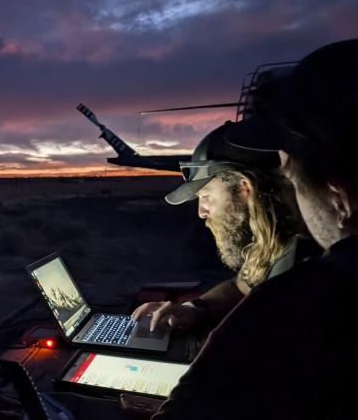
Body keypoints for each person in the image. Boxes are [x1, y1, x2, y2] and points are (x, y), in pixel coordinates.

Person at [143, 39, 358, 420]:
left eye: (206, 196)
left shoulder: (301, 297)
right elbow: (244, 285)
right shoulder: (281, 251)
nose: (201, 212)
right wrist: (198, 310)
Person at [131, 121, 308, 333]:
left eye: (206, 196)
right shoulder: (273, 239)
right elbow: (239, 288)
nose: (201, 212)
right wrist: (193, 310)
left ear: (243, 188)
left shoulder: (299, 264)